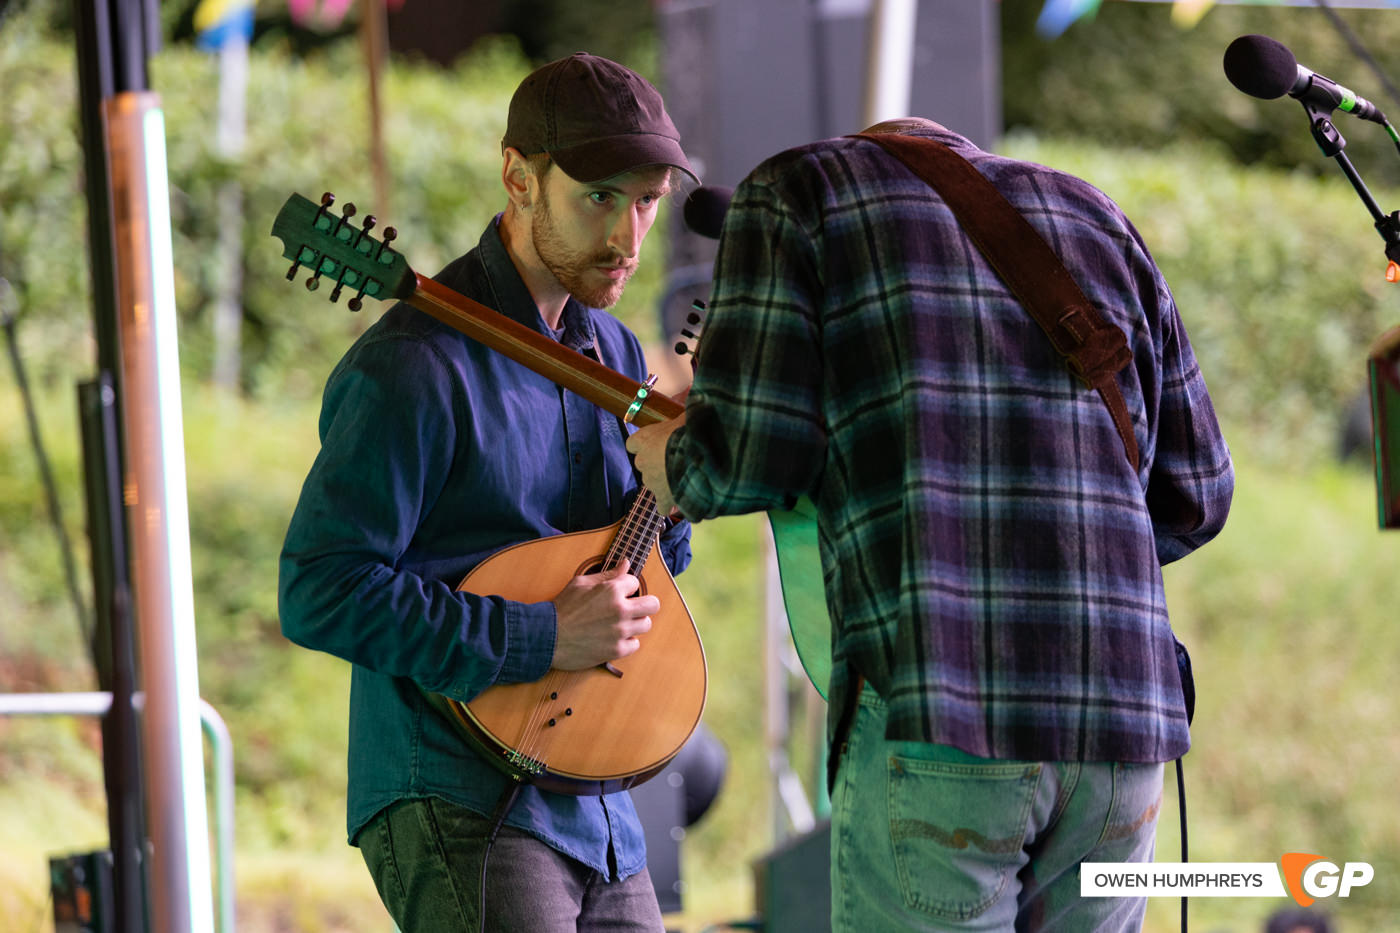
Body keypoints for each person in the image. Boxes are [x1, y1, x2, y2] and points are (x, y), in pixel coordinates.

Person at [627, 117, 1234, 930]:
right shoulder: (1097, 216)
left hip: (942, 701)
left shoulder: (798, 194)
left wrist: (673, 461)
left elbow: (748, 458)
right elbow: (1199, 491)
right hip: (1120, 722)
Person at [279, 52, 696, 932]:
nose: (627, 236)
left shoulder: (614, 357)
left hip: (598, 797)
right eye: (599, 197)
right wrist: (541, 632)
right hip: (457, 791)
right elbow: (319, 589)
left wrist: (677, 485)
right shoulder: (413, 368)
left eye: (647, 201)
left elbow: (646, 565)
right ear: (518, 176)